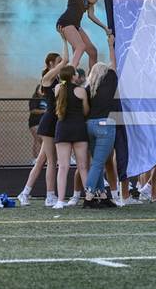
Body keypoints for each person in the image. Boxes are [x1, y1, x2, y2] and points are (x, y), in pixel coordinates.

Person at [17, 42, 68, 207]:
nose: (61, 64)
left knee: (41, 161)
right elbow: (66, 60)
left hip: (55, 122)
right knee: (52, 161)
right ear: (51, 64)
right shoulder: (46, 79)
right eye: (57, 62)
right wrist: (65, 40)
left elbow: (68, 62)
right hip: (48, 122)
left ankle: (24, 193)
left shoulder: (59, 79)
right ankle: (50, 196)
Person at [83, 34, 119, 208]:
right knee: (99, 163)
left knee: (96, 162)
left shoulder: (88, 88)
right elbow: (114, 64)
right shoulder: (110, 81)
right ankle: (89, 196)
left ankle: (102, 195)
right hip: (105, 125)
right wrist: (111, 45)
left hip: (89, 125)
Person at [56, 0, 111, 69]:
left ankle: (92, 78)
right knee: (80, 47)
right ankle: (69, 75)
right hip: (66, 22)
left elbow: (91, 15)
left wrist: (105, 28)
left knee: (93, 52)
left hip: (75, 25)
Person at [53, 65, 90, 209]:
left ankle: (60, 201)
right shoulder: (81, 91)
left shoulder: (58, 88)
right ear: (73, 76)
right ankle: (89, 198)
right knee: (83, 167)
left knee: (63, 167)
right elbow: (86, 111)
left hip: (63, 129)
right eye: (75, 73)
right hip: (79, 129)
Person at [27, 83, 45, 163]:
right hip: (35, 123)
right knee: (38, 139)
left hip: (44, 123)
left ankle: (40, 159)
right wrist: (44, 111)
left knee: (42, 141)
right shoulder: (34, 99)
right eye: (40, 89)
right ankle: (36, 159)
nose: (42, 90)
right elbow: (33, 110)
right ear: (37, 90)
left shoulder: (47, 99)